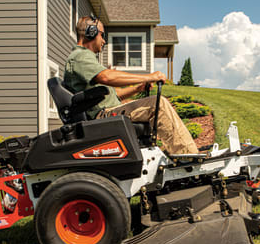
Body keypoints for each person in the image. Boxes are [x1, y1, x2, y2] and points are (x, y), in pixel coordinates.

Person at [64, 16, 199, 155]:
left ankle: (180, 153)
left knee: (155, 104)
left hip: (105, 110)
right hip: (101, 116)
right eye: (102, 35)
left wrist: (137, 88)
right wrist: (150, 76)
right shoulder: (80, 56)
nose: (104, 40)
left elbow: (114, 94)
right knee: (157, 104)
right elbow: (107, 76)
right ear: (90, 32)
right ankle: (189, 156)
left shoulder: (84, 58)